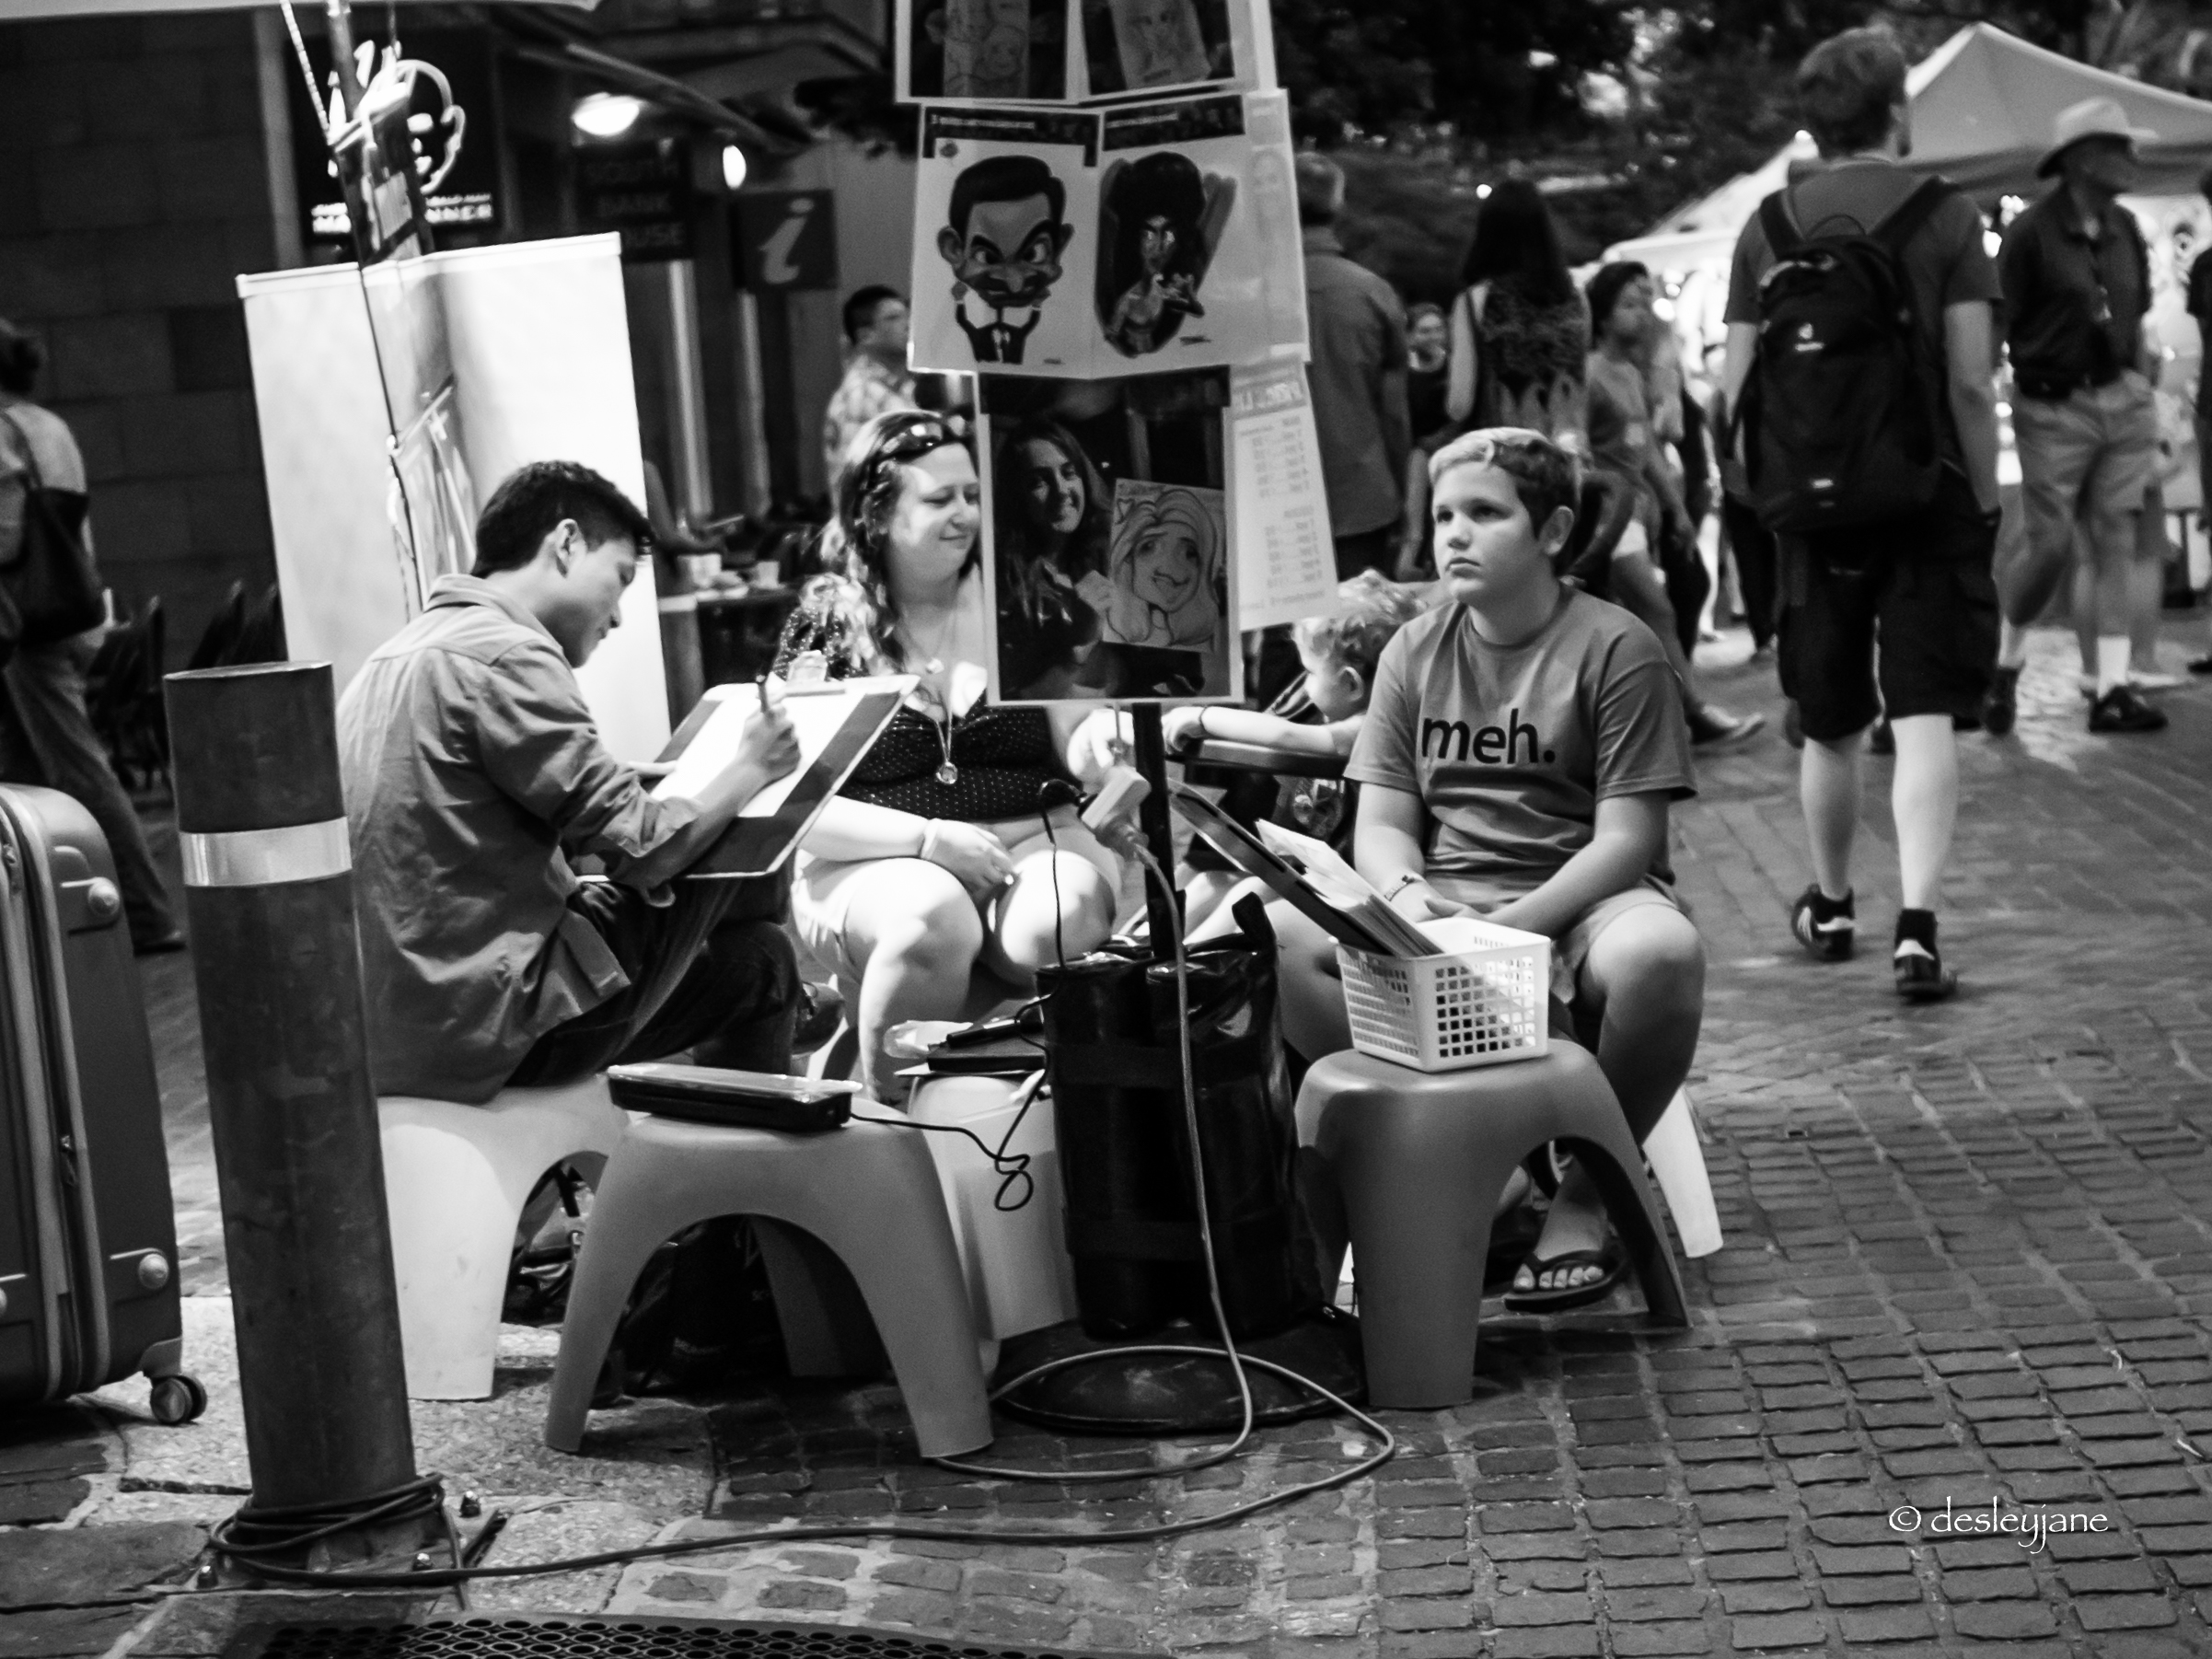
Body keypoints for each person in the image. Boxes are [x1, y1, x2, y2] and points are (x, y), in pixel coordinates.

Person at [1273, 429, 1703, 1309]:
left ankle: (1588, 1193)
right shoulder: (1413, 649)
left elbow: (1625, 842)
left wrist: (1507, 931)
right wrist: (1405, 899)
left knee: (1663, 955)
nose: (1454, 536)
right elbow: (1382, 825)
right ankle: (1475, 1160)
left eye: (1483, 513)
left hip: (1585, 900)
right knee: (1275, 932)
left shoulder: (1618, 647)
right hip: (1443, 898)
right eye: (1442, 517)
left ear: (1552, 531)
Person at [338, 461, 804, 1104]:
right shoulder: (509, 654)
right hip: (500, 1023)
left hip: (398, 1027)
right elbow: (647, 850)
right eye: (620, 578)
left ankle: (791, 997)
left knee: (756, 957)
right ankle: (797, 1012)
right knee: (744, 884)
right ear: (566, 543)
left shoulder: (396, 655)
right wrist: (752, 765)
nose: (618, 617)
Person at [1720, 26, 2003, 1000]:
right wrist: (1985, 496)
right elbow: (1971, 380)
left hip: (1810, 507)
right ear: (1896, 109)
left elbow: (1734, 386)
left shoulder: (1767, 224)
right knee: (1922, 714)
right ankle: (1917, 929)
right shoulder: (1947, 215)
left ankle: (1833, 903)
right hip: (1926, 491)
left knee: (1829, 718)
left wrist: (1765, 497)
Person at [775, 411, 1122, 1097]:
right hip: (873, 858)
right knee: (933, 918)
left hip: (1032, 837)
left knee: (1060, 920)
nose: (965, 515)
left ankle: (1040, 1120)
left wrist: (1102, 742)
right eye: (940, 499)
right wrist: (930, 841)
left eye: (972, 495)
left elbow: (1076, 738)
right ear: (876, 514)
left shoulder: (1026, 604)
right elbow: (799, 805)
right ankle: (894, 1121)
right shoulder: (826, 627)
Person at [0, 318, 182, 957]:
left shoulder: (4, 432)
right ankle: (40, 924)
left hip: (26, 625)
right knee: (24, 772)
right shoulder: (46, 425)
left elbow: (7, 537)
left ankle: (144, 912)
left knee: (76, 770)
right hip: (68, 612)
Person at [1986, 96, 2168, 737]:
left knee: (2116, 537)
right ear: (2084, 161)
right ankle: (2006, 660)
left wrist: (2140, 391)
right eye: (2120, 149)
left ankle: (2112, 689)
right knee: (2051, 545)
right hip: (2050, 405)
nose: (2133, 159)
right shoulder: (2030, 234)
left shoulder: (2125, 229)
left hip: (2121, 398)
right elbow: (1997, 324)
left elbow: (2135, 318)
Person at [1166, 569, 1427, 930]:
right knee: (1212, 881)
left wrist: (1205, 717)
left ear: (1350, 684)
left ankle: (1189, 961)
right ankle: (1147, 951)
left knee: (1248, 895)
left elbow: (1286, 737)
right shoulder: (1341, 716)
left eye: (1310, 673)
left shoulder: (1371, 727)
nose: (1303, 686)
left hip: (1347, 885)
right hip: (1306, 867)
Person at [1586, 263, 1762, 748]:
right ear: (1602, 314)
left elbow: (1646, 451)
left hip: (1637, 514)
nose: (1642, 314)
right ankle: (1691, 713)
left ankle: (1660, 718)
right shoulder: (1589, 375)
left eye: (1645, 303)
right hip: (1608, 518)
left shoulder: (1629, 372)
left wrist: (1674, 509)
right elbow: (1580, 451)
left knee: (1651, 611)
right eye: (1628, 304)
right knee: (1655, 609)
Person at [1298, 153, 1411, 581]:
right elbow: (1394, 414)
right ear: (1338, 205)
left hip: (1275, 508)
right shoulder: (1372, 292)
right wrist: (1404, 491)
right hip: (1363, 499)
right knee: (1362, 618)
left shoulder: (1250, 299)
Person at [992, 416, 1111, 699]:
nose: (1061, 491)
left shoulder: (1112, 552)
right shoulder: (1005, 584)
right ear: (1017, 497)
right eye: (1039, 481)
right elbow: (1020, 700)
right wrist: (1080, 642)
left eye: (1069, 473)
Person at [823, 286, 918, 481]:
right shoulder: (861, 393)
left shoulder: (904, 385)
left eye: (908, 315)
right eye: (893, 318)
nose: (908, 324)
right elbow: (857, 477)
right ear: (866, 335)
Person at [1395, 302, 1454, 576]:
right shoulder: (1402, 373)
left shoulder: (1453, 368)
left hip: (1446, 450)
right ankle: (1411, 560)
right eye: (1424, 331)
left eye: (1438, 329)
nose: (1433, 337)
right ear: (1410, 336)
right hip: (1411, 454)